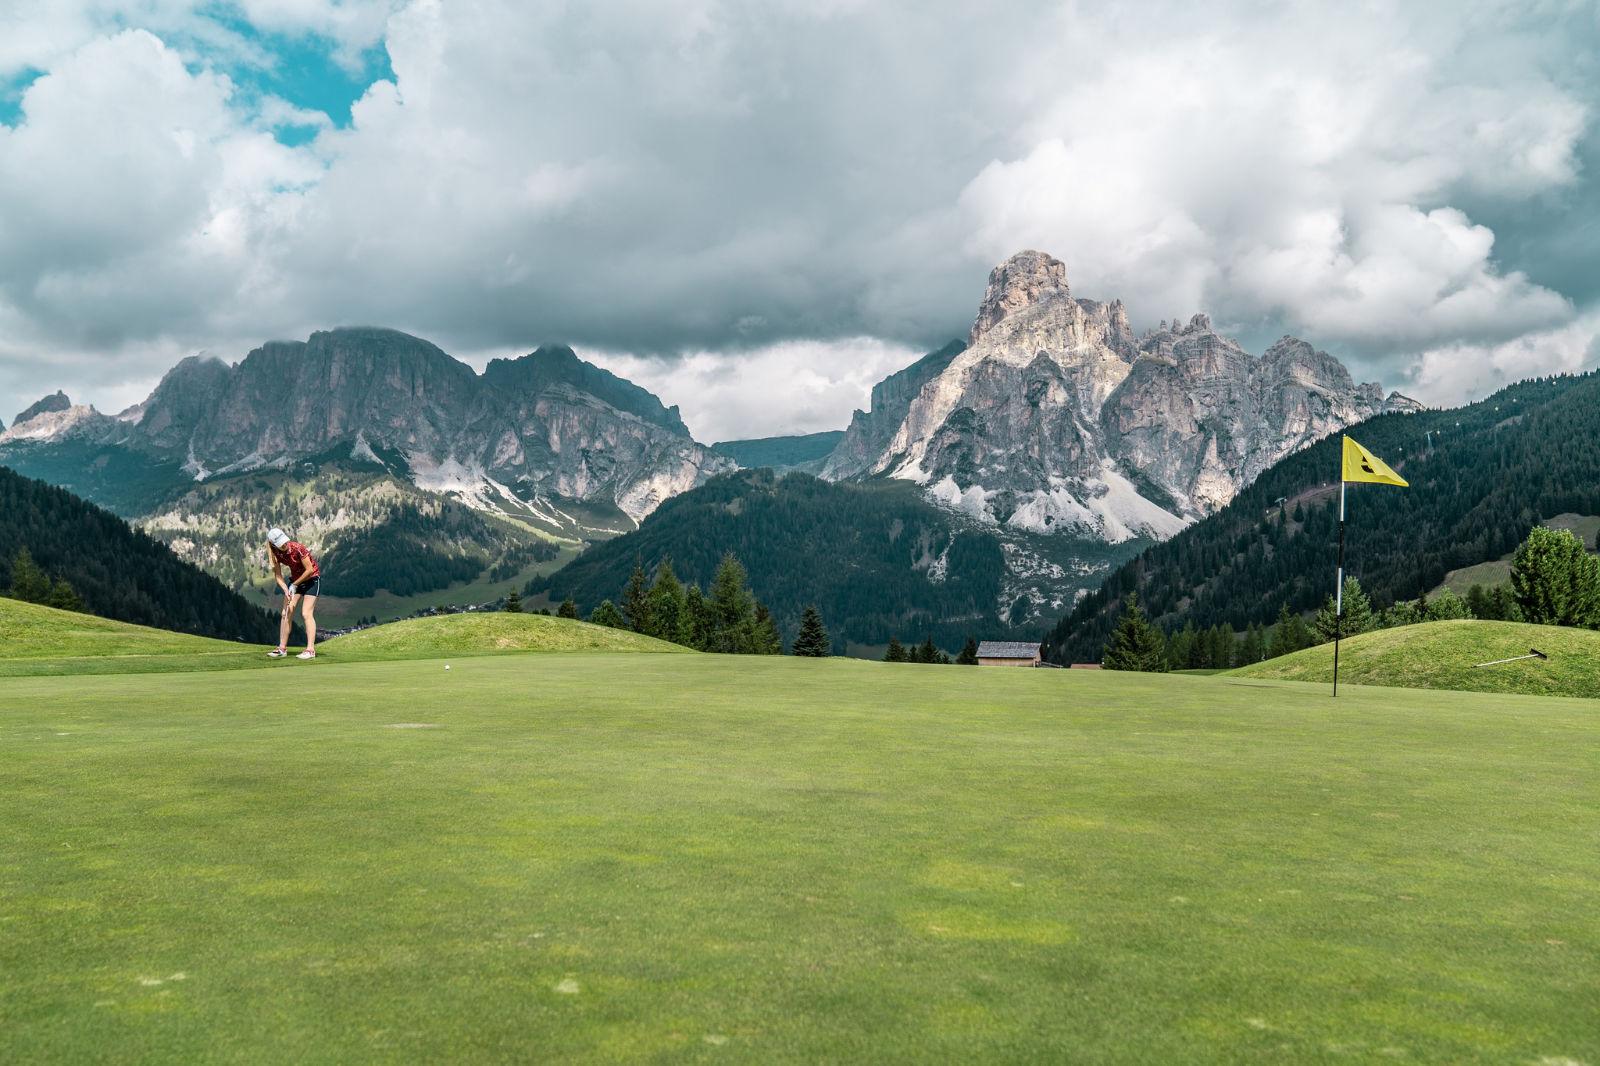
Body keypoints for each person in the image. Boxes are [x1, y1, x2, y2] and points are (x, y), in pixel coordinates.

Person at [266, 527, 322, 660]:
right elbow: (278, 576)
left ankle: (310, 650)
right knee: (286, 613)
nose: (284, 544)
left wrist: (294, 585)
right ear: (274, 544)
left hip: (312, 580)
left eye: (284, 541)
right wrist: (286, 588)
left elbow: (309, 570)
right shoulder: (274, 553)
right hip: (295, 582)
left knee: (306, 613)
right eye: (280, 543)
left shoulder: (298, 548)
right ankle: (282, 648)